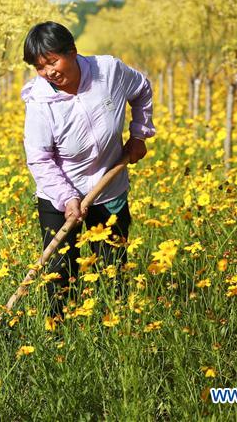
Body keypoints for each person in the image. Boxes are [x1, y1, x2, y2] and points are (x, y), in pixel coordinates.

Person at [21, 21, 155, 320]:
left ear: (72, 51)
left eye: (52, 61)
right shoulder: (39, 102)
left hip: (109, 187)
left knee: (112, 268)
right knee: (59, 271)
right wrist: (67, 197)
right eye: (39, 67)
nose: (48, 72)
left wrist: (139, 134)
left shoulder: (108, 72)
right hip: (59, 196)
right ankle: (58, 331)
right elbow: (40, 159)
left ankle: (115, 327)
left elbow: (142, 89)